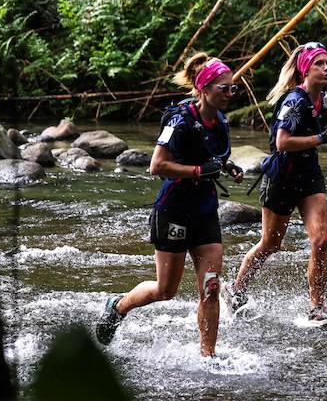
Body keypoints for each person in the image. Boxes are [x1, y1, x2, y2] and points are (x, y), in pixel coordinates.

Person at [95, 52, 244, 356]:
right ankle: (118, 306)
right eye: (224, 88)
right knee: (166, 291)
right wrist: (198, 172)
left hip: (205, 213)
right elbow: (156, 165)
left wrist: (227, 167)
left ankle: (208, 357)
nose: (230, 94)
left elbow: (214, 153)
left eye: (233, 88)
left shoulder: (222, 121)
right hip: (173, 212)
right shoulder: (179, 121)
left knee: (211, 289)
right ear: (204, 90)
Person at [227, 41, 327, 326]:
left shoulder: (324, 99)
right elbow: (282, 142)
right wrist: (321, 139)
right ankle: (237, 290)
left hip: (309, 176)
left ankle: (316, 308)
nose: (325, 68)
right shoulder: (294, 101)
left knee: (321, 240)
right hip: (281, 178)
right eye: (319, 63)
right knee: (271, 243)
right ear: (305, 69)